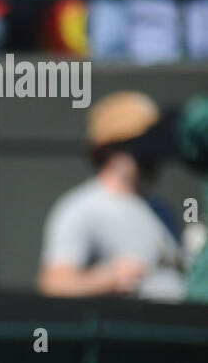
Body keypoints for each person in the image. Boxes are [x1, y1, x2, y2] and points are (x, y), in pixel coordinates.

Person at [37, 91, 187, 300]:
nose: (153, 154)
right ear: (111, 150)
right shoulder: (81, 209)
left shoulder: (161, 209)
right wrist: (108, 278)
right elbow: (54, 284)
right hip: (126, 329)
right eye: (142, 145)